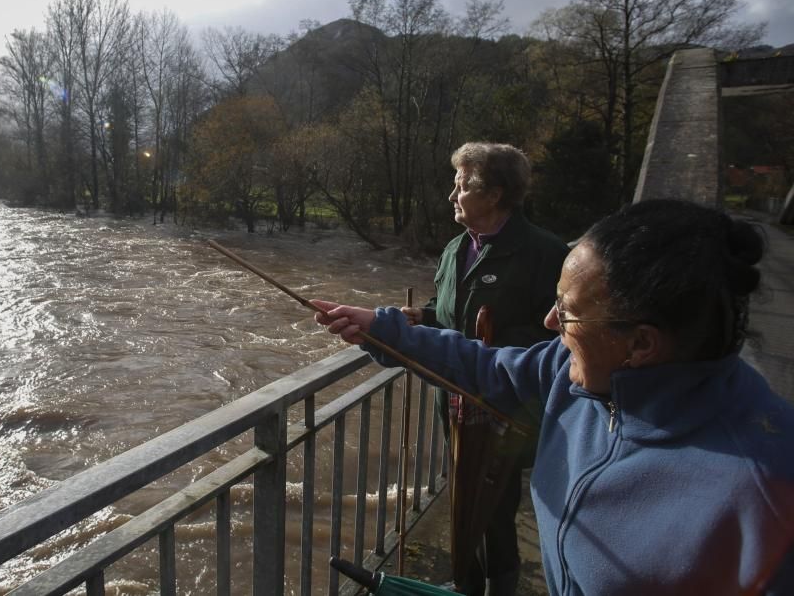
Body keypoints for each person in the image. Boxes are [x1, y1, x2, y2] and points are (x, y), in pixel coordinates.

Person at [314, 199, 794, 595]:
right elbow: (487, 368)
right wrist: (381, 329)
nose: (549, 323)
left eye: (566, 312)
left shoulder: (764, 494)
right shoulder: (576, 372)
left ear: (641, 344)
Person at [401, 142, 567, 596]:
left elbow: (561, 338)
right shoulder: (456, 248)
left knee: (494, 506)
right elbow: (449, 311)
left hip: (504, 405)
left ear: (493, 195)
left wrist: (492, 348)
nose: (452, 196)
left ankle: (499, 586)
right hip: (452, 399)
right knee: (461, 497)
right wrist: (425, 317)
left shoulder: (544, 254)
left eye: (461, 186)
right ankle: (466, 583)